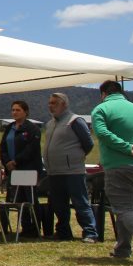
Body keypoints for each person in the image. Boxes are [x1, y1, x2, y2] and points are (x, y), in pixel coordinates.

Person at [91, 80, 133, 265]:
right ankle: (123, 248)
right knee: (127, 207)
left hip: (118, 168)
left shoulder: (101, 109)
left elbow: (102, 133)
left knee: (124, 209)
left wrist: (127, 148)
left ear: (103, 94)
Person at [43, 92, 97, 242]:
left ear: (64, 104)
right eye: (49, 103)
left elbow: (88, 143)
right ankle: (63, 232)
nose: (50, 106)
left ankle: (90, 233)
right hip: (54, 171)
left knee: (80, 202)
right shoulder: (50, 124)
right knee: (59, 205)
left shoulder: (75, 121)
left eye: (54, 103)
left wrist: (74, 157)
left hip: (73, 171)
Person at [0, 100, 44, 237]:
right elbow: (3, 147)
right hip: (12, 170)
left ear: (26, 112)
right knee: (18, 199)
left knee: (30, 199)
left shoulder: (32, 129)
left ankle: (35, 228)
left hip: (28, 169)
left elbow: (31, 149)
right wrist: (7, 162)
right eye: (13, 110)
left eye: (18, 110)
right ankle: (25, 227)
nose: (14, 112)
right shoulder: (9, 127)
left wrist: (16, 161)